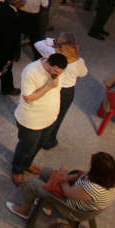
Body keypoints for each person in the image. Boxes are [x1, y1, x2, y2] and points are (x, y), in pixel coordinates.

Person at [5, 152, 115, 222]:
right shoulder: (108, 180)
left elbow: (67, 192)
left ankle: (24, 210)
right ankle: (40, 199)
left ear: (97, 171)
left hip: (70, 206)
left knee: (33, 184)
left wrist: (62, 178)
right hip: (76, 192)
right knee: (46, 172)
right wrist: (67, 178)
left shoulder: (92, 189)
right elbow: (82, 175)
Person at [11, 53, 68, 185]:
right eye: (55, 71)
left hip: (49, 118)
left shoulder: (58, 70)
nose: (57, 74)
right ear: (48, 63)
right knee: (26, 148)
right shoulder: (31, 71)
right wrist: (48, 86)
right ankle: (17, 170)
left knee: (39, 144)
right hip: (31, 121)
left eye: (60, 72)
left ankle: (27, 164)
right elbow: (28, 98)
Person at [34, 33, 87, 150]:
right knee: (59, 116)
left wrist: (54, 41)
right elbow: (84, 73)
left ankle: (37, 135)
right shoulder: (79, 60)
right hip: (67, 92)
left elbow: (38, 44)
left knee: (45, 112)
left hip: (51, 87)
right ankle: (48, 140)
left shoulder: (53, 54)